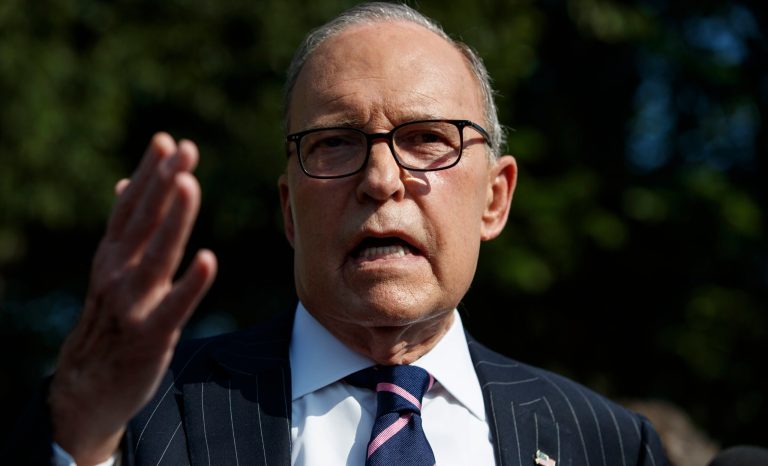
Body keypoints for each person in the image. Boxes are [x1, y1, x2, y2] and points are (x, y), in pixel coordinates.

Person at [8, 3, 668, 465]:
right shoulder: (138, 415)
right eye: (335, 144)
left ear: (495, 199)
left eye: (427, 140)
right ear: (290, 209)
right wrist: (82, 434)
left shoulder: (607, 443)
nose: (382, 179)